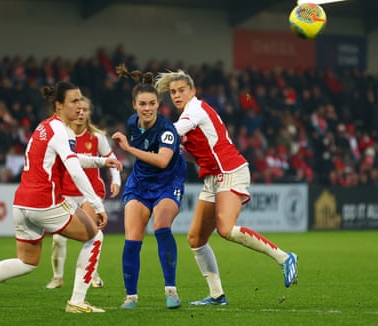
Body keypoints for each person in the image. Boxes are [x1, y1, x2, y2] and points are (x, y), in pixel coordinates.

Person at [0, 81, 123, 315]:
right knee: (95, 236)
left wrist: (101, 161)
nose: (80, 105)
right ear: (59, 105)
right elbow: (73, 169)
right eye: (74, 101)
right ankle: (77, 301)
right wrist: (97, 204)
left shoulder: (46, 127)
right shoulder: (63, 130)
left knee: (26, 261)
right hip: (44, 201)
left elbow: (67, 158)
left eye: (81, 99)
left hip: (22, 202)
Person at [154, 70, 298, 306]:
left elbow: (172, 132)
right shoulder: (188, 117)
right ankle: (217, 295)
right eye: (173, 92)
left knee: (225, 228)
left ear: (192, 91)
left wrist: (147, 132)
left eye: (181, 90)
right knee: (196, 238)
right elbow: (194, 154)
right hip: (213, 176)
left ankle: (284, 257)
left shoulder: (195, 110)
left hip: (230, 170)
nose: (177, 95)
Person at [111, 65, 187, 309]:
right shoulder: (132, 123)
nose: (147, 108)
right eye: (142, 104)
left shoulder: (167, 130)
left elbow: (164, 161)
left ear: (158, 104)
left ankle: (172, 291)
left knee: (161, 225)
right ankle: (131, 297)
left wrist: (129, 150)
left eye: (151, 104)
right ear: (134, 105)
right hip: (140, 183)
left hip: (167, 183)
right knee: (132, 237)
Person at [46, 95, 121, 290]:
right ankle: (57, 277)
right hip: (66, 193)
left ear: (89, 113)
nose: (81, 113)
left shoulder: (97, 137)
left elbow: (110, 158)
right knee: (58, 239)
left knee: (90, 234)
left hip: (90, 192)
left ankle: (92, 274)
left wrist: (116, 179)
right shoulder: (62, 135)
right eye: (77, 109)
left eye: (85, 110)